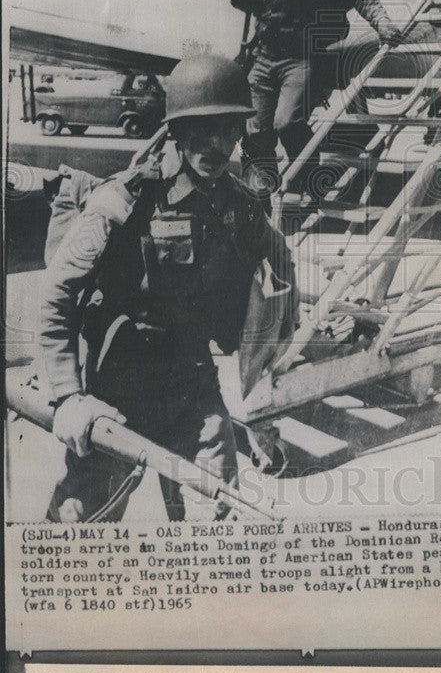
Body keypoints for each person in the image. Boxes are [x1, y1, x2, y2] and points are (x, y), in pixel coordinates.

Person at [39, 55, 297, 522]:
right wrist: (67, 396)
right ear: (176, 132)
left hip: (193, 384)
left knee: (216, 517)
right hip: (119, 384)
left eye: (229, 129)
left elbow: (281, 271)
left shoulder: (239, 206)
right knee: (82, 524)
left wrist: (263, 381)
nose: (216, 144)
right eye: (202, 129)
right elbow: (58, 298)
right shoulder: (123, 202)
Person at [231, 0, 402, 201]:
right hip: (265, 57)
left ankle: (308, 184)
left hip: (302, 58)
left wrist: (382, 23)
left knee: (288, 123)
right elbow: (248, 3)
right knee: (255, 131)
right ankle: (262, 195)